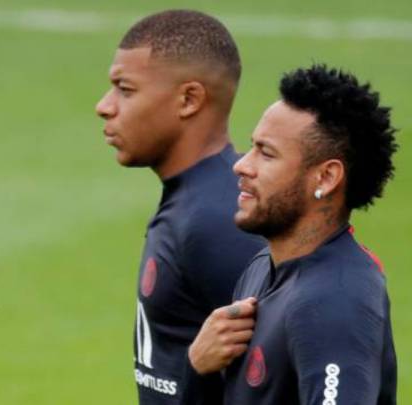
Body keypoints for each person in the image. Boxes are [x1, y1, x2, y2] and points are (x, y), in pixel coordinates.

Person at [188, 64, 398, 404]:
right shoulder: (263, 267)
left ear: (326, 178)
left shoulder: (336, 300)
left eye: (266, 153)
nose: (241, 165)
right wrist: (199, 368)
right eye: (252, 147)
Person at [95, 10, 265, 404]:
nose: (104, 106)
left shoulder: (223, 221)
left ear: (189, 99)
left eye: (125, 89)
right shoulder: (195, 202)